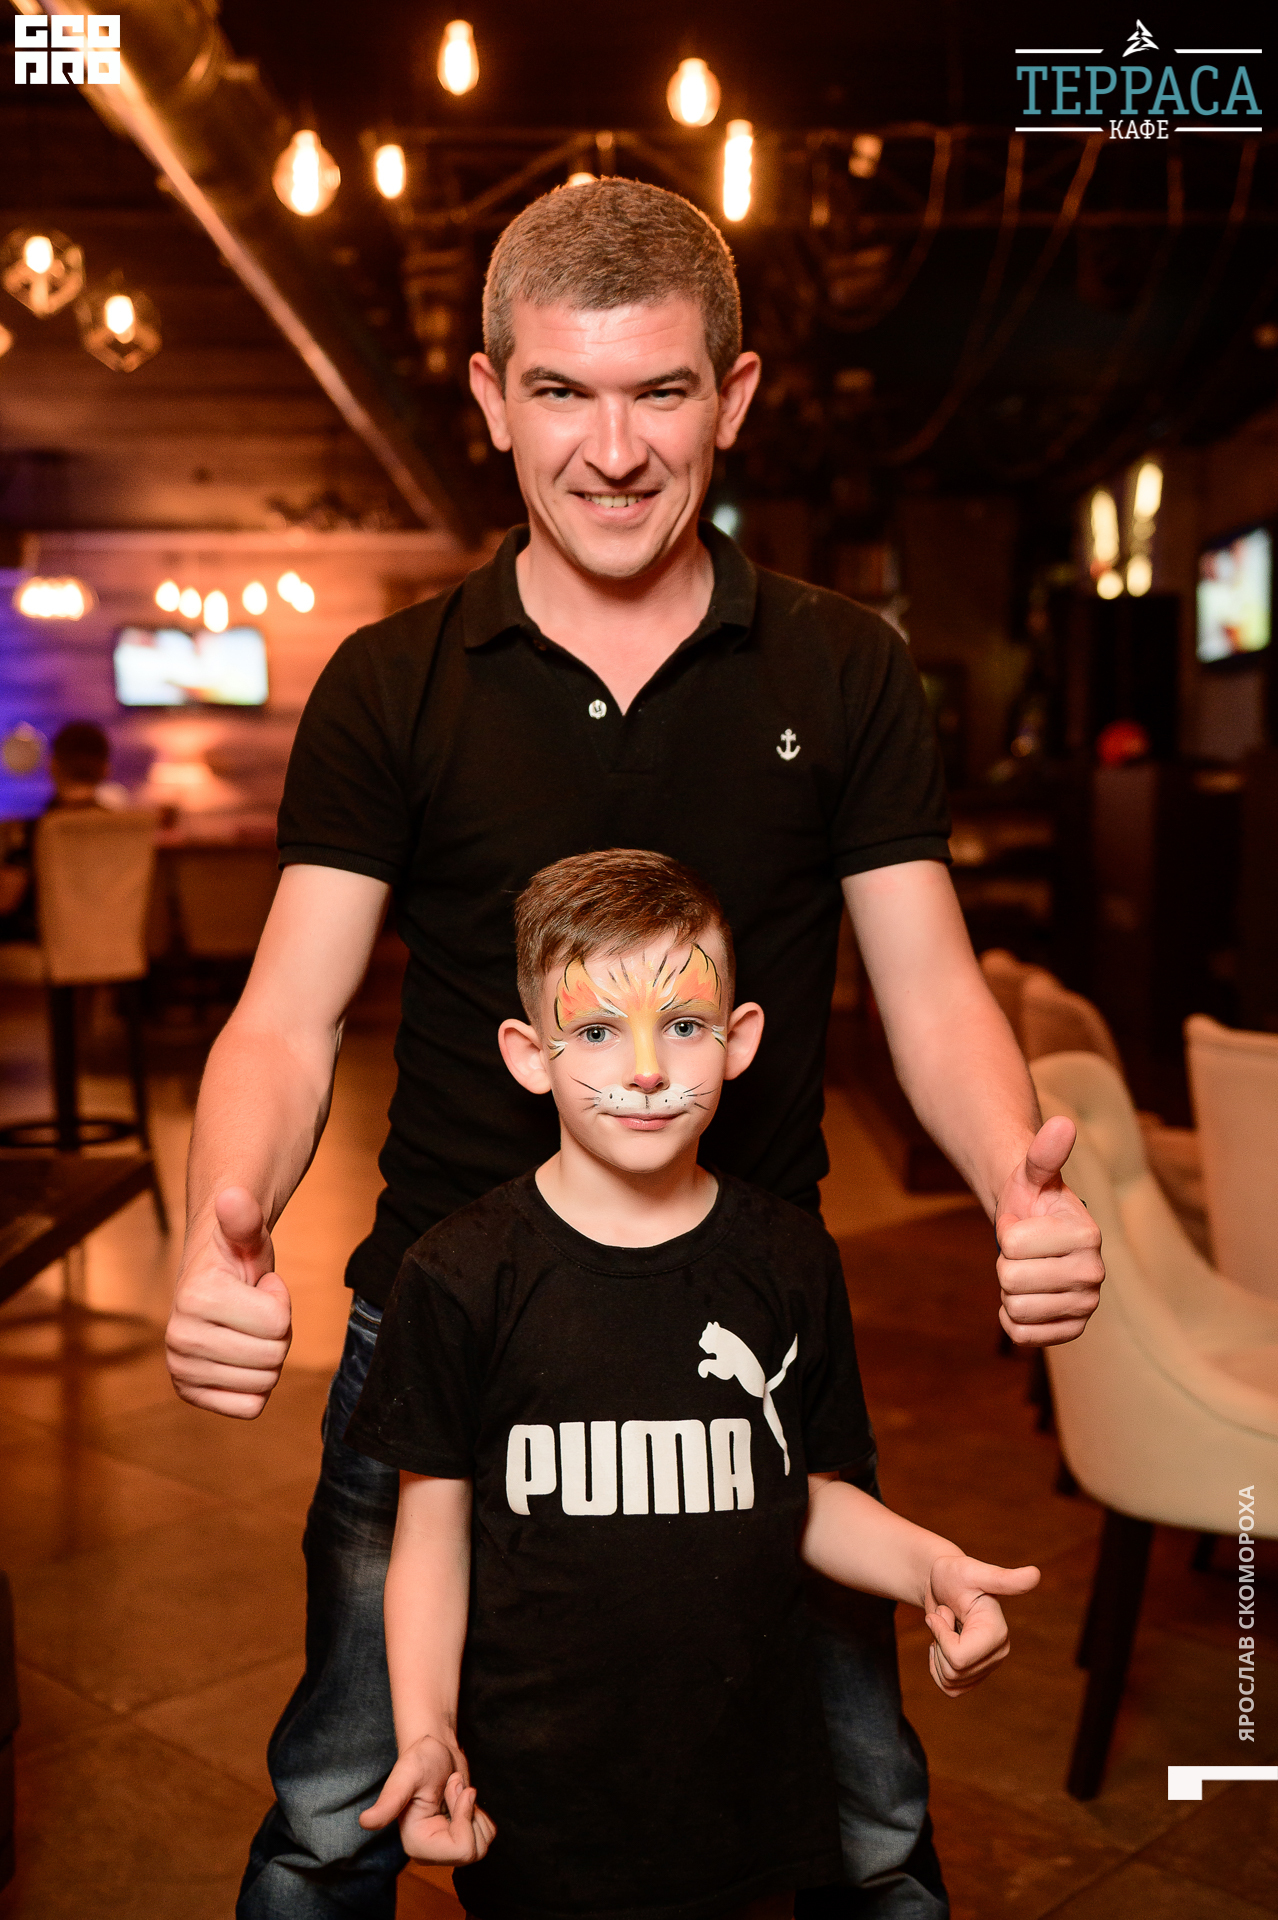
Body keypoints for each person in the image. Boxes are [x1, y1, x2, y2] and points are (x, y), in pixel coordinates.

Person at [163, 178, 1103, 1919]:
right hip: (445, 1320)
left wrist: (1009, 1183)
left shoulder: (843, 665)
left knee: (865, 1823)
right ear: (490, 396)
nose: (610, 451)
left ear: (730, 397)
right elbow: (286, 1016)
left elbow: (928, 989)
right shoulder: (392, 681)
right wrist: (222, 1225)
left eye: (659, 391)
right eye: (561, 392)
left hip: (746, 1322)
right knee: (336, 1809)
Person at [346, 848, 1042, 1920]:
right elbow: (431, 1541)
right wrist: (427, 1732)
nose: (644, 1069)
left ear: (739, 1038)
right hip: (540, 1796)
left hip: (745, 1786)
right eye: (594, 1032)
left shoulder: (791, 1261)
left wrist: (930, 1570)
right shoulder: (455, 1276)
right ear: (529, 1056)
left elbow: (806, 1498)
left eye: (682, 1024)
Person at [0, 721, 116, 942]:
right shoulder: (124, 831)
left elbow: (5, 900)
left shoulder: (36, 830)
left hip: (45, 943)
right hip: (113, 943)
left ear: (52, 765)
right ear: (105, 770)